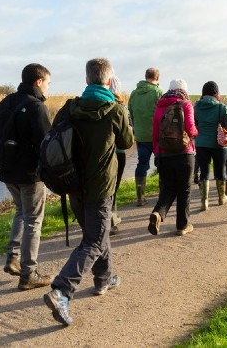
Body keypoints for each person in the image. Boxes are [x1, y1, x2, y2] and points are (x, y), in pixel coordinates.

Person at [43, 57, 134, 327]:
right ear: (108, 81)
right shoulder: (115, 109)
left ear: (86, 80)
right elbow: (127, 142)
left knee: (96, 233)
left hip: (72, 183)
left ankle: (104, 279)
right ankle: (61, 291)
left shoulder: (69, 107)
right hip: (100, 186)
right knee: (94, 240)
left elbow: (55, 135)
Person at [0, 63, 53, 290]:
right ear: (38, 82)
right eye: (48, 82)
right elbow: (46, 143)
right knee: (33, 221)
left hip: (7, 171)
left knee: (21, 212)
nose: (48, 87)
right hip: (30, 174)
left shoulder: (8, 101)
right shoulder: (37, 107)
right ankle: (29, 273)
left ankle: (13, 256)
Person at [148, 79, 198, 236]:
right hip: (184, 153)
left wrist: (157, 152)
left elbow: (155, 134)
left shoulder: (160, 106)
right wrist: (196, 132)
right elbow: (191, 129)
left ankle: (158, 213)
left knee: (168, 188)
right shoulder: (186, 104)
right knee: (184, 189)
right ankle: (182, 225)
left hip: (164, 154)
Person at [193, 81, 227, 211]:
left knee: (204, 172)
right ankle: (221, 198)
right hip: (218, 144)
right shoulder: (221, 108)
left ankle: (204, 202)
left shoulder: (196, 107)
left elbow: (194, 124)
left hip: (201, 143)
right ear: (216, 94)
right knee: (220, 170)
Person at [128, 68, 163, 206]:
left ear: (145, 76)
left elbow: (130, 111)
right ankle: (163, 193)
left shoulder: (134, 93)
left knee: (142, 164)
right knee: (161, 163)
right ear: (157, 78)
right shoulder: (158, 92)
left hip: (141, 134)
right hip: (156, 135)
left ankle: (140, 197)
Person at [109, 75, 126, 235]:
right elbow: (127, 138)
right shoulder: (121, 108)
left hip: (97, 154)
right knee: (114, 188)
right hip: (118, 153)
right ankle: (112, 220)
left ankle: (107, 219)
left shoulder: (90, 104)